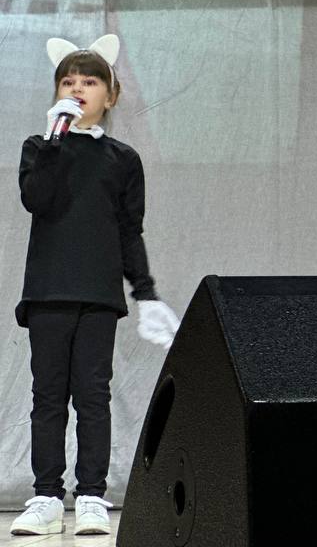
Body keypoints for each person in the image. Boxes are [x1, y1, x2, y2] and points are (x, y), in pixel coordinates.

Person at [9, 35, 180, 538]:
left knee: (92, 396)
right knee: (47, 396)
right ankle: (46, 496)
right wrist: (53, 141)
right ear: (56, 91)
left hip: (98, 295)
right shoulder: (39, 148)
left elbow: (129, 230)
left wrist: (145, 293)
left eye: (89, 81)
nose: (78, 88)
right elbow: (36, 199)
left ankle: (90, 496)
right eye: (68, 81)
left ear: (111, 94)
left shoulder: (122, 158)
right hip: (47, 292)